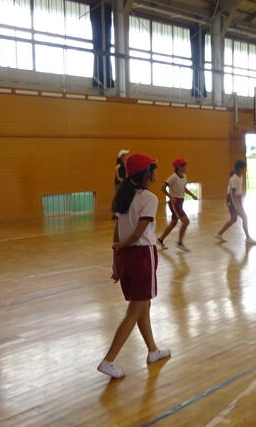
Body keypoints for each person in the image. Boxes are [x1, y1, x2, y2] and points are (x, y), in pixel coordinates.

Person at [98, 153, 170, 379]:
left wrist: (116, 258)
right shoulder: (149, 198)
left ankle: (153, 350)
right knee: (134, 311)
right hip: (142, 256)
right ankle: (108, 361)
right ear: (147, 174)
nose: (156, 172)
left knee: (143, 305)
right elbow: (139, 232)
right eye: (153, 168)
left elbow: (117, 231)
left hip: (126, 257)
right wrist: (123, 246)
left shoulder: (125, 196)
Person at [158, 158, 198, 251]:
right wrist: (170, 197)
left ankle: (160, 240)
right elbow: (163, 188)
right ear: (179, 167)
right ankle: (179, 242)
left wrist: (192, 195)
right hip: (174, 203)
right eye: (185, 166)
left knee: (173, 223)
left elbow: (184, 188)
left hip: (181, 202)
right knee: (186, 221)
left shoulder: (184, 176)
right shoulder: (173, 177)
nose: (186, 167)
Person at [215, 161, 256, 245]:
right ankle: (248, 238)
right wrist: (237, 206)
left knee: (234, 219)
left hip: (236, 199)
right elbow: (233, 194)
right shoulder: (234, 178)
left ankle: (219, 234)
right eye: (244, 168)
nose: (245, 169)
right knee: (244, 217)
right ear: (240, 168)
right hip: (232, 200)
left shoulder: (240, 176)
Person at [112, 150, 129, 220]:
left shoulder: (124, 162)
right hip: (118, 183)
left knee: (122, 197)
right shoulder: (119, 162)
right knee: (117, 197)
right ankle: (114, 214)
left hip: (122, 182)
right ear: (122, 156)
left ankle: (119, 212)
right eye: (126, 155)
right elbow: (116, 168)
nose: (127, 156)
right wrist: (119, 178)